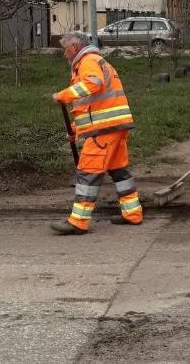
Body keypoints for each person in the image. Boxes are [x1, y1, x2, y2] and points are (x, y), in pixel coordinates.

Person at [50, 31, 142, 235]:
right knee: (120, 172)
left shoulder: (88, 61)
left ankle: (78, 222)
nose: (65, 55)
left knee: (87, 173)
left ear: (74, 47)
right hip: (114, 126)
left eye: (65, 50)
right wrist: (77, 130)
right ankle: (133, 213)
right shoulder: (96, 60)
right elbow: (92, 107)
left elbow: (94, 84)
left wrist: (64, 95)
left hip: (104, 130)